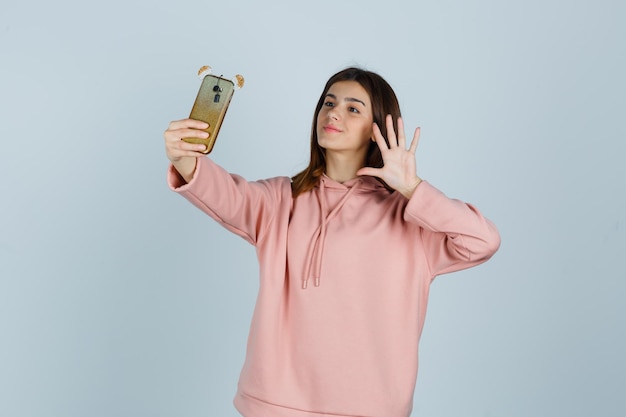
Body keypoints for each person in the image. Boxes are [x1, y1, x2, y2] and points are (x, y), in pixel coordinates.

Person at [164, 66, 501, 417]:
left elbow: (483, 240)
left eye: (353, 108)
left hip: (370, 408)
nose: (333, 113)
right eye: (329, 102)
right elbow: (224, 195)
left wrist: (413, 188)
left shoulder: (411, 216)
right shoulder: (280, 200)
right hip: (274, 404)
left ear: (377, 130)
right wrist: (184, 159)